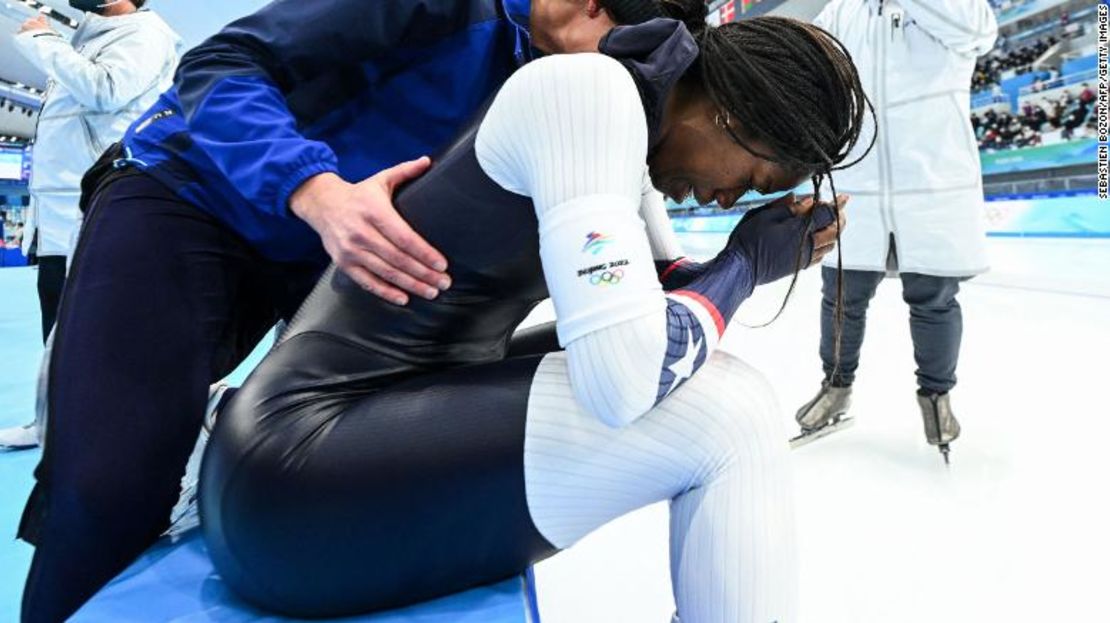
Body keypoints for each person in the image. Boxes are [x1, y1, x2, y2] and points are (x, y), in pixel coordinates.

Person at [15, 1, 695, 620]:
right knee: (111, 480)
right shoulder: (449, 11)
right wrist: (315, 188)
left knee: (328, 445)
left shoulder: (550, 72)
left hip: (327, 249)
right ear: (591, 5)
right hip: (194, 194)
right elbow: (217, 64)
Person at [198, 11, 867, 623]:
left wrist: (745, 260)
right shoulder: (591, 98)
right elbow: (625, 381)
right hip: (294, 482)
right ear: (731, 113)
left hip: (324, 453)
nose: (728, 198)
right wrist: (745, 265)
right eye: (750, 177)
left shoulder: (625, 116)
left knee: (715, 380)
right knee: (730, 413)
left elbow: (659, 305)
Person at [793, 0, 998, 463]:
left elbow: (977, 33)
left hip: (931, 182)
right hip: (859, 181)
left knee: (933, 299)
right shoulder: (842, 11)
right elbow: (811, 60)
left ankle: (936, 399)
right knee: (842, 294)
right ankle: (836, 387)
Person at [0, 0, 180, 451]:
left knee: (101, 325)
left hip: (96, 202)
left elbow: (106, 89)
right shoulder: (87, 36)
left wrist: (43, 40)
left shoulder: (145, 33)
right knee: (55, 316)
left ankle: (110, 431)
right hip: (57, 207)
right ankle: (53, 422)